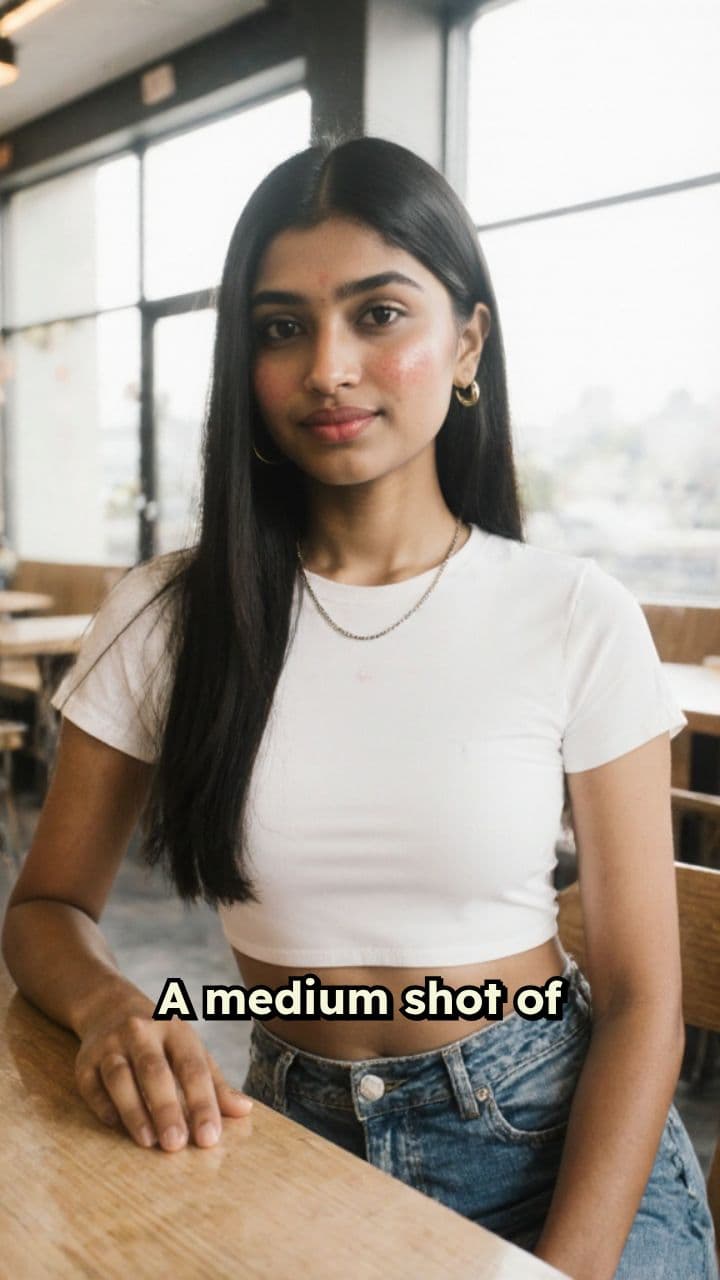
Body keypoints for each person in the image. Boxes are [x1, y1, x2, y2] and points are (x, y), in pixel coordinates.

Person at [1, 137, 716, 1280]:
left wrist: (567, 1272)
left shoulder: (573, 612)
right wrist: (107, 1009)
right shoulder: (170, 614)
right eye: (282, 325)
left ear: (468, 339)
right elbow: (43, 906)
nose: (328, 364)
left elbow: (641, 1004)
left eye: (379, 313)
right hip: (288, 1128)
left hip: (557, 1146)